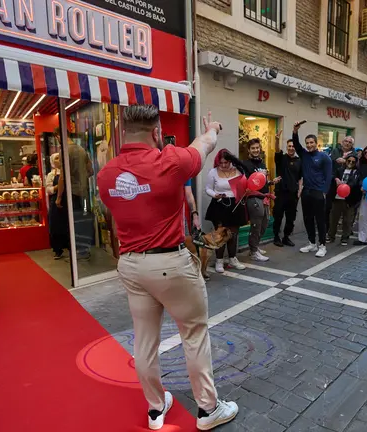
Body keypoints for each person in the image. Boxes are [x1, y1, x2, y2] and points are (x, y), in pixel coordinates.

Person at [96, 106, 239, 431]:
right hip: (170, 264)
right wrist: (212, 128)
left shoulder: (107, 175)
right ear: (156, 132)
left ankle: (156, 408)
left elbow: (121, 205)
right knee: (193, 334)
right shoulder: (170, 161)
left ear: (122, 131)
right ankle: (207, 409)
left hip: (131, 265)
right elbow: (205, 144)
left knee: (144, 342)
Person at [292, 121, 333, 258]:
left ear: (316, 143)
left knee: (320, 220)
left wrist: (324, 192)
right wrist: (295, 131)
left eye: (311, 142)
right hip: (306, 191)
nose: (309, 145)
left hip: (318, 192)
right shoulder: (304, 155)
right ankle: (311, 243)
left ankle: (322, 246)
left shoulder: (324, 157)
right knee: (307, 218)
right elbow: (296, 145)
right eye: (307, 143)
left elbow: (328, 177)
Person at [205, 150, 247, 274]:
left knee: (233, 234)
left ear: (231, 161)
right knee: (220, 235)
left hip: (234, 204)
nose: (223, 165)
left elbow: (243, 186)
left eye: (226, 162)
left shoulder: (238, 170)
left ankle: (232, 259)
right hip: (219, 205)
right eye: (221, 163)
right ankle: (219, 260)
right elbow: (207, 188)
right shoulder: (213, 172)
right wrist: (214, 194)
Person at [242, 138, 277, 262]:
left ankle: (255, 246)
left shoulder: (262, 164)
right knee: (256, 225)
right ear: (249, 150)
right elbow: (247, 182)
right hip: (253, 198)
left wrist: (271, 182)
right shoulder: (245, 164)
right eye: (253, 148)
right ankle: (253, 251)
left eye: (257, 148)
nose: (256, 150)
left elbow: (263, 181)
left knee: (265, 223)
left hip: (264, 197)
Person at [273, 133, 302, 247]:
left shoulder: (299, 160)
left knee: (291, 218)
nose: (291, 148)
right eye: (289, 146)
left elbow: (300, 177)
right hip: (281, 192)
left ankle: (286, 237)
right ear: (286, 147)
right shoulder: (282, 158)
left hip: (293, 193)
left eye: (293, 146)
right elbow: (276, 150)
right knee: (278, 216)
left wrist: (299, 190)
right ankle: (276, 237)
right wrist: (276, 140)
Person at [327, 153, 361, 245]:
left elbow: (355, 184)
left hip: (349, 199)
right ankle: (331, 236)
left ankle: (345, 237)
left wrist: (345, 185)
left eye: (353, 162)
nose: (350, 163)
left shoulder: (357, 173)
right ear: (345, 161)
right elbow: (332, 176)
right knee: (333, 219)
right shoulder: (340, 170)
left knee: (347, 220)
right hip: (337, 198)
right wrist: (335, 179)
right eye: (349, 161)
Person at [47, 153, 70, 259]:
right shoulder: (51, 175)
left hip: (67, 201)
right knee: (56, 226)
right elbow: (49, 190)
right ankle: (58, 249)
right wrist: (58, 187)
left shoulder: (68, 172)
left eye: (59, 158)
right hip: (56, 202)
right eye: (56, 158)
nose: (58, 160)